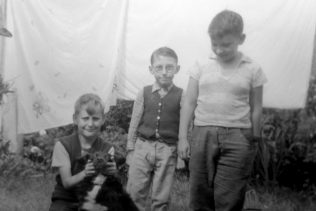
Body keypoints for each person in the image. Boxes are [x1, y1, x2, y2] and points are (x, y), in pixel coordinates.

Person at [178, 10, 268, 211]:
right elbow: (190, 102)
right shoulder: (201, 65)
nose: (219, 50)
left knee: (230, 197)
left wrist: (253, 139)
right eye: (214, 44)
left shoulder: (253, 69)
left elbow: (256, 108)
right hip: (202, 135)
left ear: (241, 39)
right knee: (199, 194)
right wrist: (183, 137)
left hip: (238, 138)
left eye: (226, 44)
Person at [126, 46, 183, 211]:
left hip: (168, 150)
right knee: (135, 192)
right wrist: (130, 148)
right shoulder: (143, 93)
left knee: (161, 197)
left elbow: (185, 128)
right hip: (143, 147)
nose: (164, 72)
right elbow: (134, 122)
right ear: (151, 70)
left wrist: (181, 155)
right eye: (159, 67)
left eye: (169, 67)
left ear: (177, 69)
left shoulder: (182, 95)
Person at [49, 93, 117, 211]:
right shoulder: (63, 145)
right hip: (65, 198)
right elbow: (66, 183)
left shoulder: (108, 149)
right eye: (85, 118)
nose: (90, 124)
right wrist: (85, 173)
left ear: (103, 120)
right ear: (75, 119)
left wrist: (111, 173)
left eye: (95, 119)